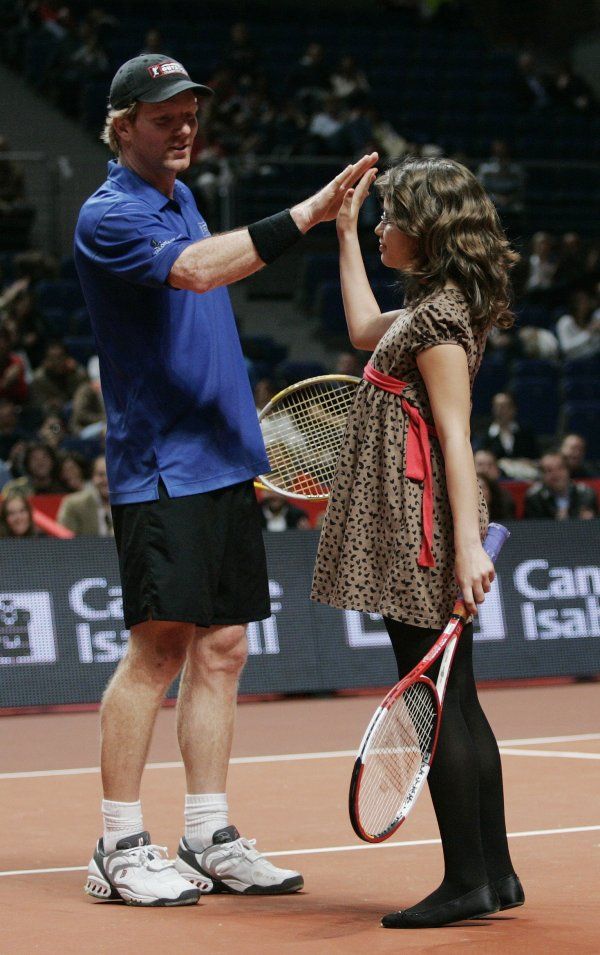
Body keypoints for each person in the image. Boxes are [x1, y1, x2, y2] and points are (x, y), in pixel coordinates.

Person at [74, 52, 378, 907]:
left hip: (223, 461)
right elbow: (199, 271)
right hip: (163, 466)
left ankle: (207, 830)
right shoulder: (109, 214)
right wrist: (313, 212)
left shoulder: (180, 198)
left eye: (190, 114)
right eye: (164, 115)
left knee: (224, 648)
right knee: (158, 649)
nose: (183, 127)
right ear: (122, 123)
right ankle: (118, 842)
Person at [311, 156, 523, 928]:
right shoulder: (433, 305)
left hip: (420, 531)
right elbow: (365, 327)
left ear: (427, 231)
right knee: (457, 699)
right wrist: (339, 233)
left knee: (436, 706)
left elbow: (458, 438)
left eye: (389, 217)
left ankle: (466, 879)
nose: (380, 228)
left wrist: (467, 547)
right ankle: (495, 874)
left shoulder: (438, 321)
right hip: (422, 524)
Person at [524, 452, 597, 520]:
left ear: (568, 471)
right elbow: (532, 530)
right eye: (549, 470)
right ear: (542, 476)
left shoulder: (586, 494)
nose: (556, 475)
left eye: (560, 468)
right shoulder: (535, 498)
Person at [57, 454, 113, 535]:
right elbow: (63, 539)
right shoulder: (73, 504)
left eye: (111, 475)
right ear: (92, 477)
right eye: (101, 475)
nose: (106, 480)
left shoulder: (129, 506)